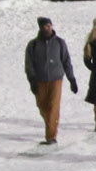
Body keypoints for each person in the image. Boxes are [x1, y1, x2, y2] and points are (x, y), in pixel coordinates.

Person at [25, 15, 75, 145]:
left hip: (56, 80)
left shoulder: (59, 42)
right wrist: (32, 81)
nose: (48, 28)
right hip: (40, 80)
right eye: (45, 26)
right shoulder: (33, 45)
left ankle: (51, 136)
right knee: (42, 106)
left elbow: (66, 61)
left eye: (49, 25)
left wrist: (71, 79)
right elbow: (29, 64)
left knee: (53, 106)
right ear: (41, 28)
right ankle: (50, 125)